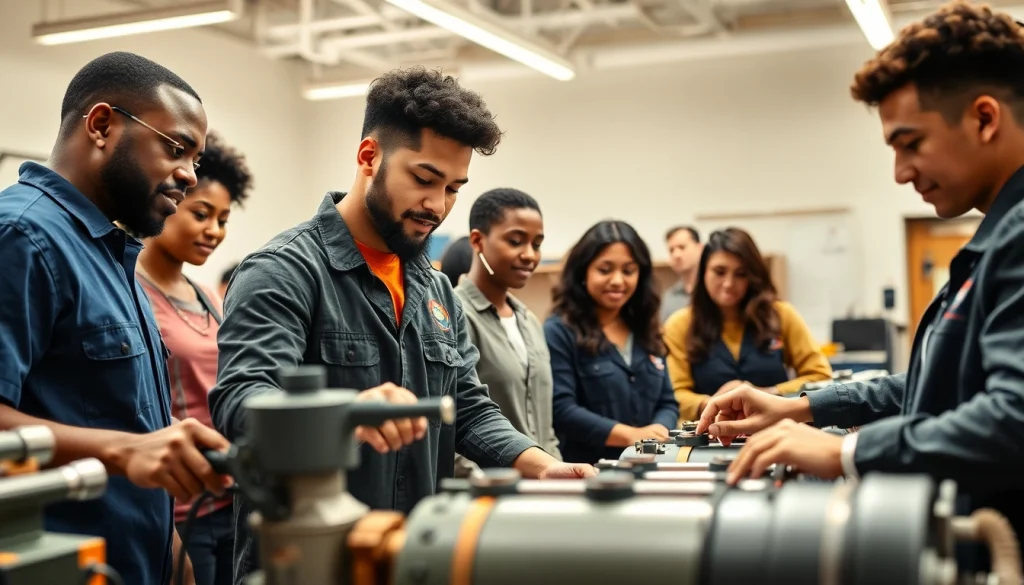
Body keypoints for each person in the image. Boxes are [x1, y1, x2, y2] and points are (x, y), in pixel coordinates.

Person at [209, 66, 596, 585]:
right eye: (423, 179)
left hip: (415, 557)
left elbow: (469, 409)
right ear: (369, 157)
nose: (437, 207)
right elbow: (241, 402)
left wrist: (538, 463)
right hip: (312, 566)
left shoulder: (435, 289)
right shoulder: (282, 271)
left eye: (454, 188)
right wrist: (343, 415)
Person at [696, 0, 1024, 568]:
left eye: (910, 143)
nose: (900, 171)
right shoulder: (996, 239)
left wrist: (848, 450)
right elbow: (929, 389)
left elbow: (1012, 419)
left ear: (984, 118)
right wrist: (798, 408)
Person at [0, 51, 232, 585]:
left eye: (196, 159)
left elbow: (118, 420)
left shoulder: (111, 252)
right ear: (102, 125)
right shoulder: (25, 238)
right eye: (176, 148)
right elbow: (123, 444)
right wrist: (124, 452)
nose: (188, 175)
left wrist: (171, 548)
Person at [136, 131, 253, 585]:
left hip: (230, 494)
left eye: (223, 220)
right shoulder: (133, 291)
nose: (214, 232)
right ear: (168, 203)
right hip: (178, 505)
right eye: (201, 214)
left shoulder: (208, 297)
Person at [545, 220, 680, 464]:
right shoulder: (559, 331)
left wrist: (658, 431)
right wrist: (631, 436)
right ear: (583, 273)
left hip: (649, 465)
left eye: (628, 271)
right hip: (588, 472)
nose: (618, 281)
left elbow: (667, 401)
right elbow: (562, 409)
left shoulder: (645, 327)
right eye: (605, 270)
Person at [664, 227, 832, 421]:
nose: (728, 283)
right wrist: (715, 404)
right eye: (719, 272)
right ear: (703, 273)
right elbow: (674, 395)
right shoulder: (680, 325)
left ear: (753, 276)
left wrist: (766, 394)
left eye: (741, 274)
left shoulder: (781, 315)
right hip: (707, 436)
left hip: (777, 432)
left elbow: (821, 376)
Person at [453, 188, 561, 477]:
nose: (529, 255)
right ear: (478, 240)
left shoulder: (529, 321)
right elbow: (452, 424)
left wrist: (557, 471)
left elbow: (544, 425)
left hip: (544, 486)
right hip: (491, 493)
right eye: (515, 241)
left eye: (536, 244)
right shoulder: (453, 315)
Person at [660, 225, 702, 323]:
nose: (676, 255)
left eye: (682, 247)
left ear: (700, 248)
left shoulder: (715, 291)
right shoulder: (668, 298)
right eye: (671, 250)